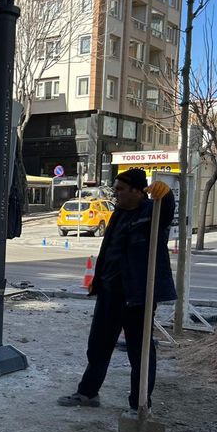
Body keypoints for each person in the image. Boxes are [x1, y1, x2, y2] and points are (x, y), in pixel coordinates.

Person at [58, 169, 175, 411]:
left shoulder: (152, 214)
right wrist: (99, 279)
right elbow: (109, 249)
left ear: (137, 191)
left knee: (140, 353)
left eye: (120, 189)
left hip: (137, 296)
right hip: (110, 292)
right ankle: (88, 393)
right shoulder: (119, 213)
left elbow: (167, 213)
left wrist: (167, 195)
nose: (116, 193)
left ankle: (139, 404)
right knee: (98, 345)